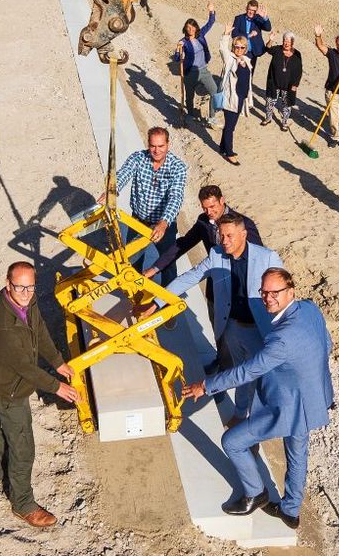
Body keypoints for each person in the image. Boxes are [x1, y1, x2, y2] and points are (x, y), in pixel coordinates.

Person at [181, 267, 333, 530]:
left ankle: (255, 492)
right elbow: (326, 345)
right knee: (298, 455)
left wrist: (205, 386)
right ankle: (290, 511)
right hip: (312, 398)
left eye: (275, 292)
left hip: (285, 406)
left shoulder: (281, 339)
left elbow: (246, 371)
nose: (267, 298)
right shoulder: (309, 309)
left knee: (232, 441)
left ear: (291, 291)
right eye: (264, 292)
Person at [0, 261, 79, 528]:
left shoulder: (26, 302)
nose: (26, 292)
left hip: (6, 384)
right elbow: (24, 367)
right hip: (7, 388)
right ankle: (23, 505)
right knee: (23, 446)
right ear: (7, 284)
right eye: (20, 287)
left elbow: (40, 330)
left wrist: (57, 361)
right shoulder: (3, 326)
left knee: (3, 425)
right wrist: (58, 387)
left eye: (30, 286)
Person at [160, 214, 282, 418]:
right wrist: (158, 300)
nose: (224, 241)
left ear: (244, 235)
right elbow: (190, 277)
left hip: (258, 330)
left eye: (229, 236)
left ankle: (250, 423)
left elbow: (284, 295)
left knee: (257, 378)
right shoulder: (217, 255)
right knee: (239, 373)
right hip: (231, 328)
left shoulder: (268, 258)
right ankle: (239, 411)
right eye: (221, 236)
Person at [108, 126, 189, 283]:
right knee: (133, 259)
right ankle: (137, 292)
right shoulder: (138, 158)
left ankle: (167, 297)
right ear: (148, 144)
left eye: (161, 146)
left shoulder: (178, 167)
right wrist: (112, 191)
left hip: (163, 224)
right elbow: (123, 174)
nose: (156, 150)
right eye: (152, 146)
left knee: (168, 263)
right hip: (138, 221)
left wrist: (164, 222)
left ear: (168, 145)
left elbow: (176, 196)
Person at [148, 185, 261, 279]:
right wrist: (155, 268)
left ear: (222, 200)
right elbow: (183, 244)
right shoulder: (203, 221)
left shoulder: (245, 224)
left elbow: (258, 256)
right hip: (215, 285)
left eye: (212, 206)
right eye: (204, 208)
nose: (209, 212)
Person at [171, 3, 217, 123]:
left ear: (196, 28)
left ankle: (211, 117)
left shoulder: (200, 35)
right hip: (190, 73)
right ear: (185, 29)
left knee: (214, 91)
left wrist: (211, 11)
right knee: (189, 96)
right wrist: (177, 49)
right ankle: (190, 114)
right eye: (188, 28)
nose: (191, 30)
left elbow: (210, 23)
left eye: (192, 27)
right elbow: (177, 59)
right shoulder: (183, 42)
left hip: (203, 70)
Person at [217, 36, 252, 165]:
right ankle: (229, 153)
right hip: (230, 98)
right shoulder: (230, 59)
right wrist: (225, 35)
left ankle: (222, 147)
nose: (239, 49)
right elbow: (222, 49)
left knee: (230, 125)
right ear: (233, 47)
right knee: (230, 127)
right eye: (236, 46)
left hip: (240, 99)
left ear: (245, 49)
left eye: (242, 47)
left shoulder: (246, 60)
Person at [261, 33, 303, 130]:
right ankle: (268, 118)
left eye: (288, 41)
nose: (286, 43)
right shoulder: (277, 49)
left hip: (288, 85)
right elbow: (268, 49)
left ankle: (284, 122)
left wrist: (295, 84)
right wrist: (270, 40)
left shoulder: (297, 54)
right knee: (269, 101)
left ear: (292, 42)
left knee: (287, 104)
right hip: (274, 82)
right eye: (285, 40)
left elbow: (299, 70)